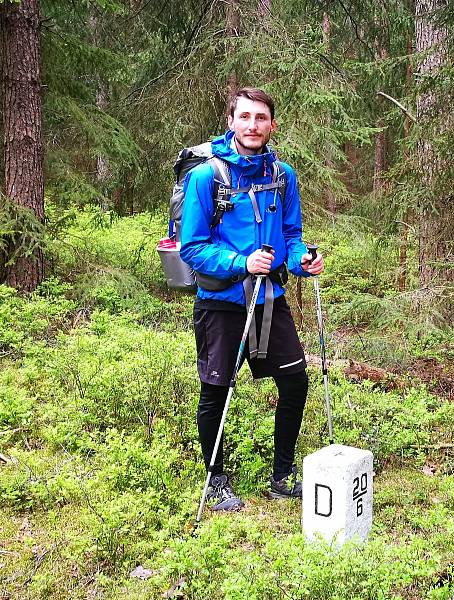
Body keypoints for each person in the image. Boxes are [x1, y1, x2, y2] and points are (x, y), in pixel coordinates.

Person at [180, 87, 323, 511]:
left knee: (295, 381)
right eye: (244, 117)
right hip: (221, 301)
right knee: (216, 390)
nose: (253, 125)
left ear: (272, 124)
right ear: (231, 121)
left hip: (270, 298)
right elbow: (192, 247)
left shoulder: (283, 175)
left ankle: (281, 476)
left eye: (261, 118)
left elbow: (292, 237)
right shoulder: (207, 177)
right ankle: (215, 480)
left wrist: (303, 260)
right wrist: (242, 262)